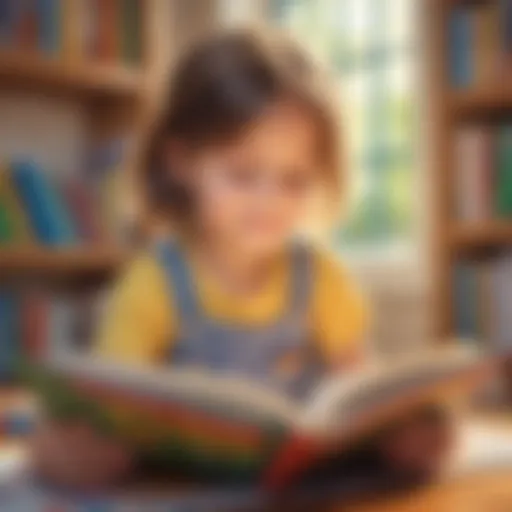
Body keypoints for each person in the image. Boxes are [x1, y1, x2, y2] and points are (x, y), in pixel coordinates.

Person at [32, 29, 453, 490]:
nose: (269, 201)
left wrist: (398, 431)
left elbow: (360, 389)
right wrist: (76, 448)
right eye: (243, 174)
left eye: (293, 179)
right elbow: (111, 410)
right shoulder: (153, 284)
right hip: (187, 487)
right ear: (181, 161)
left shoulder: (322, 277)